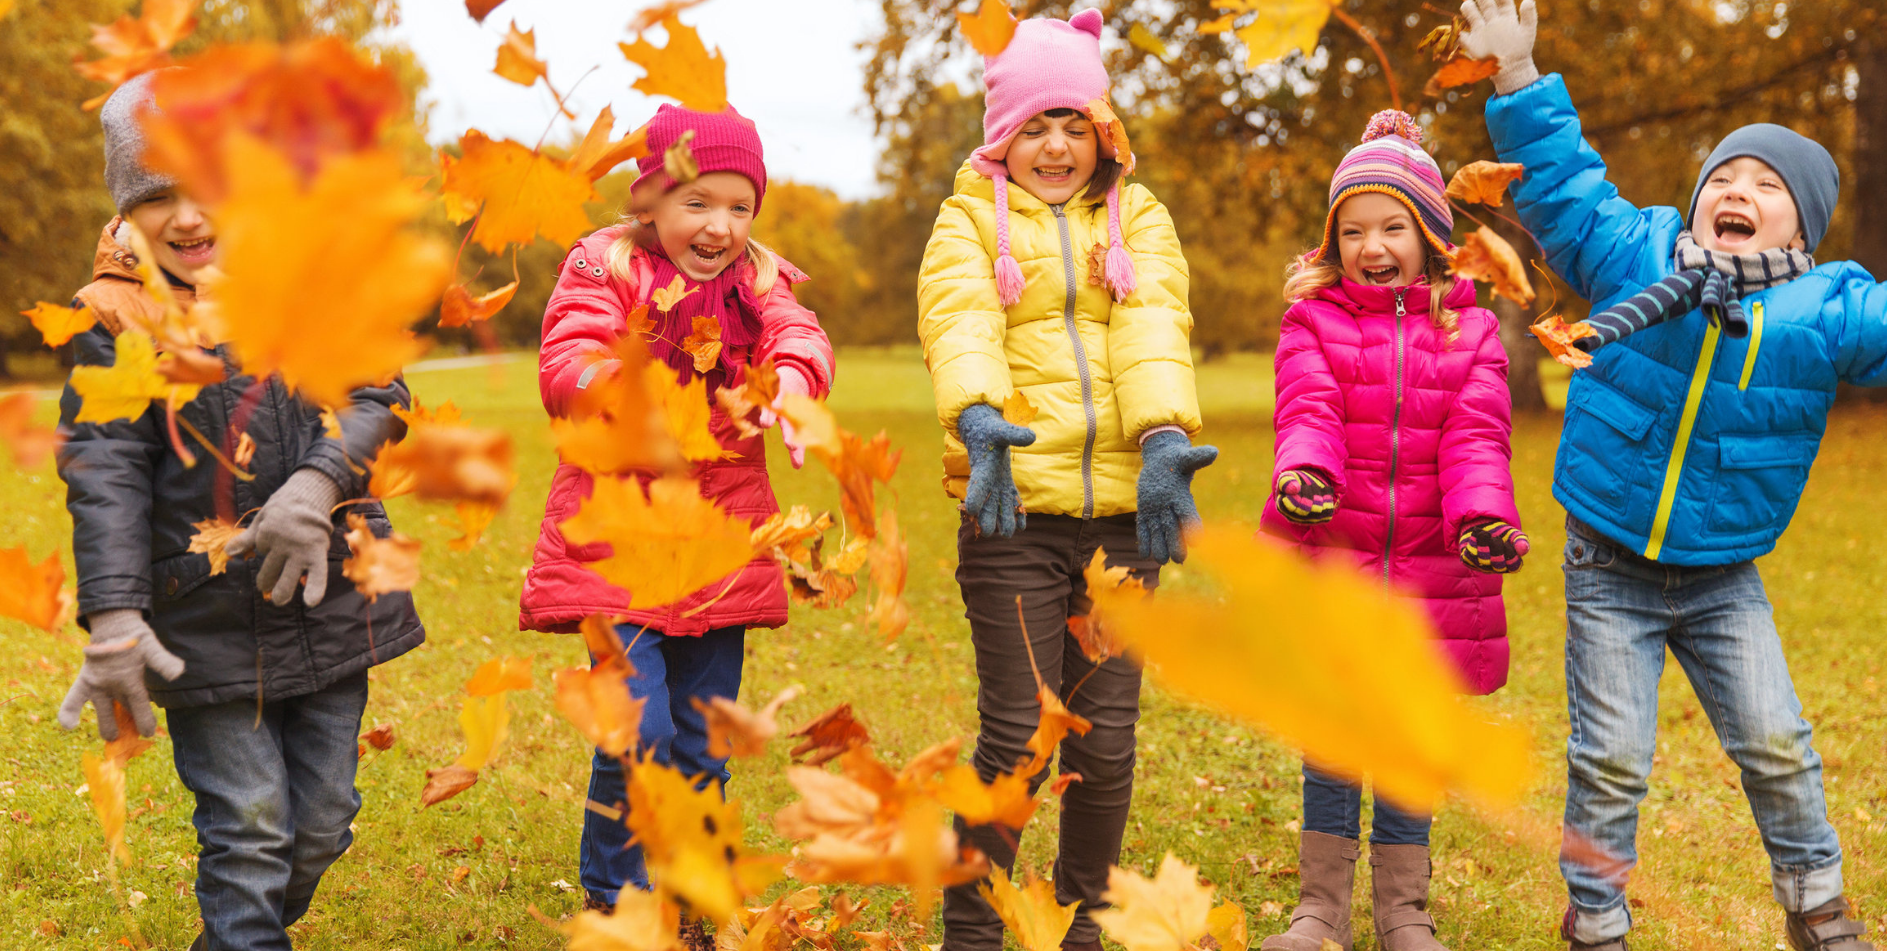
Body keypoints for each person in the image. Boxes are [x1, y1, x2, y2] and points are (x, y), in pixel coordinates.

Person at [1460, 0, 1882, 947]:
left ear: (1803, 222)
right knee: (1610, 758)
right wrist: (1516, 78)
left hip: (1725, 575)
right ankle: (1596, 914)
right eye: (1721, 175)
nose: (1736, 188)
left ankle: (1815, 906)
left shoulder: (1826, 308)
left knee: (1778, 746)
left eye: (1764, 182)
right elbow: (1565, 191)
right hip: (1608, 563)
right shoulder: (1638, 256)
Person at [54, 72, 425, 951]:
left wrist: (319, 479)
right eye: (158, 197)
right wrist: (113, 615)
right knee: (252, 832)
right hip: (203, 617)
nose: (187, 218)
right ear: (125, 210)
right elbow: (103, 472)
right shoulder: (113, 320)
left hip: (324, 597)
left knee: (323, 821)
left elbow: (380, 390)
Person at [915, 10, 1214, 951]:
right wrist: (976, 417)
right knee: (1016, 739)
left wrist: (1163, 437)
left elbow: (1153, 325)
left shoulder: (1140, 217)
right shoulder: (968, 217)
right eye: (1034, 126)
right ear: (1002, 135)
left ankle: (1084, 927)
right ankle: (974, 929)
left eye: (1074, 125)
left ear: (1103, 133)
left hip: (1123, 520)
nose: (1055, 146)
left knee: (1104, 740)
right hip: (1012, 516)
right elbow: (959, 315)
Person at [517, 104, 834, 938]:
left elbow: (798, 333)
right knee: (638, 726)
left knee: (701, 736)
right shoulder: (604, 265)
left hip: (719, 537)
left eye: (738, 206)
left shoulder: (760, 278)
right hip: (615, 534)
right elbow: (568, 356)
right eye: (697, 202)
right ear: (650, 200)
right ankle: (622, 898)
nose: (718, 225)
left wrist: (795, 382)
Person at [1259, 109, 1527, 951]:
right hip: (1336, 560)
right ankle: (1320, 910)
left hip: (1428, 568)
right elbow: (1309, 410)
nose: (1371, 246)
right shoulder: (1312, 323)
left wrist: (1483, 517)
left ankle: (1404, 912)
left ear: (1431, 236)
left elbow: (1476, 438)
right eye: (1351, 229)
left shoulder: (1471, 332)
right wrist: (1304, 475)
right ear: (1331, 240)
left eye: (1392, 227)